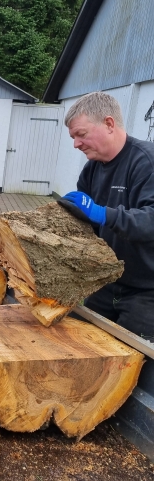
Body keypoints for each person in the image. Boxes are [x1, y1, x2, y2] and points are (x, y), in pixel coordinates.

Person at [59, 91, 154, 342]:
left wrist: (103, 213)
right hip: (108, 280)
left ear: (109, 124)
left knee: (138, 366)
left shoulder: (146, 161)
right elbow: (85, 224)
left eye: (81, 134)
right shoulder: (92, 169)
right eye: (73, 137)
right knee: (80, 342)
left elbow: (151, 221)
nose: (76, 144)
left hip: (146, 291)